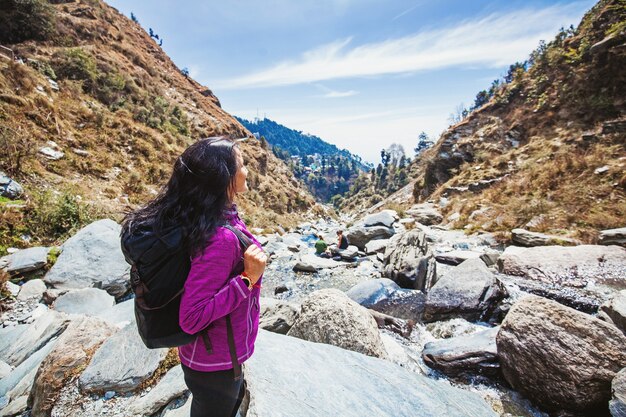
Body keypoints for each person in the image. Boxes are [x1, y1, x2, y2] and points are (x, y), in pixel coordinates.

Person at [122, 136, 266, 417]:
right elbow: (192, 317)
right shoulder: (220, 237)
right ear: (224, 177)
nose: (247, 170)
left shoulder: (209, 217)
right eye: (242, 164)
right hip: (216, 364)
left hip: (210, 356)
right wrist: (247, 279)